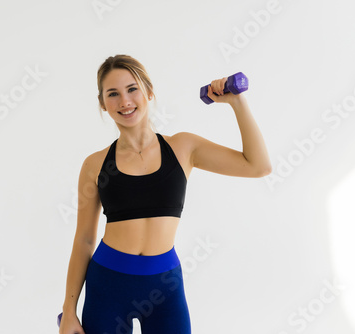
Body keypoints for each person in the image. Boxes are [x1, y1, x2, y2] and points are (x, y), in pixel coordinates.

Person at [59, 54, 272, 334]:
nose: (124, 101)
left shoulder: (184, 148)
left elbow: (258, 166)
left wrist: (236, 102)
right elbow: (84, 239)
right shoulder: (95, 164)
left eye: (132, 89)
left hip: (164, 287)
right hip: (108, 285)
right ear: (103, 104)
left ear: (149, 92)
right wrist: (70, 311)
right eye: (113, 94)